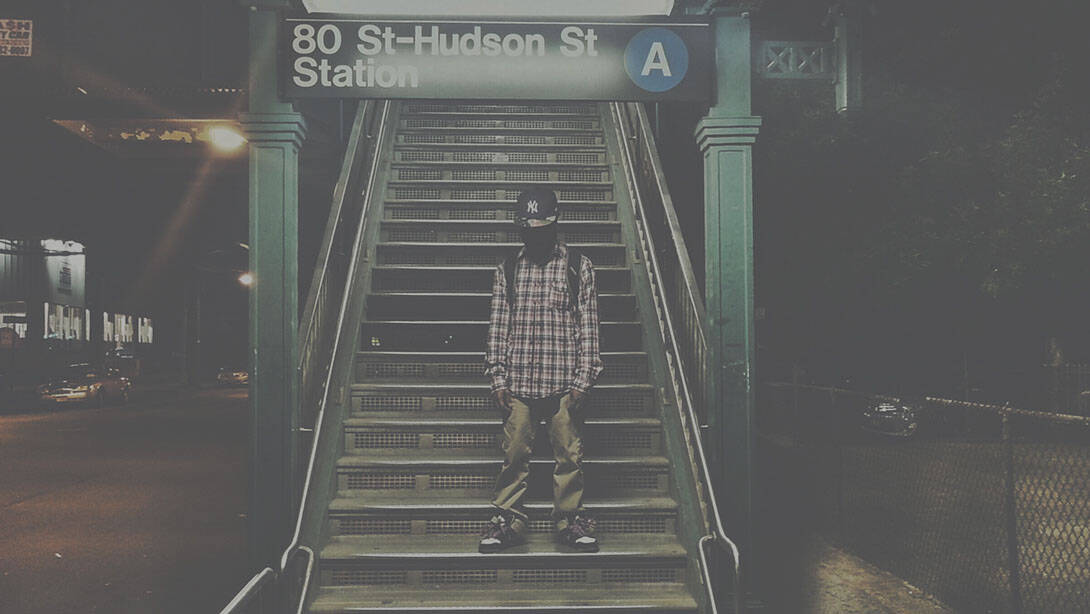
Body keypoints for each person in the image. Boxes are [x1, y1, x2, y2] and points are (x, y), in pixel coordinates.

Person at [478, 187, 604, 553]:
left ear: (554, 225)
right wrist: (498, 377)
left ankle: (568, 520)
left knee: (569, 455)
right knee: (514, 453)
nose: (533, 236)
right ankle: (507, 521)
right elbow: (499, 326)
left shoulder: (578, 266)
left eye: (540, 228)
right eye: (527, 229)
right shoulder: (508, 268)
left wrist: (583, 380)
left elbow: (588, 327)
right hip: (518, 381)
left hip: (564, 382)